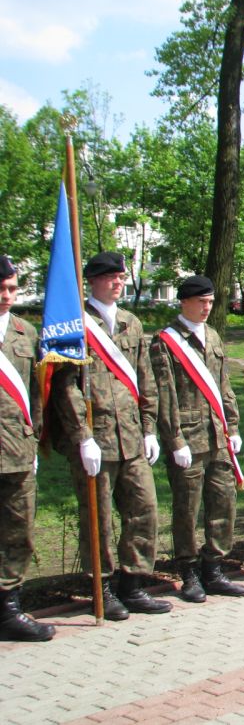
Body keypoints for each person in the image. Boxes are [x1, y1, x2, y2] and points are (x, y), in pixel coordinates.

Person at [50, 251, 170, 619]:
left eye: (121, 277)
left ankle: (132, 583)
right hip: (97, 439)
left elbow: (146, 379)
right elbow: (65, 386)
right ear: (91, 281)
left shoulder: (131, 323)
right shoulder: (75, 324)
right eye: (110, 277)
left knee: (144, 510)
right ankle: (101, 587)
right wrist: (82, 436)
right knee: (98, 518)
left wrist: (149, 428)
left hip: (131, 437)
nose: (117, 283)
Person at [151, 275, 244, 603]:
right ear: (184, 302)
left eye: (210, 302)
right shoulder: (166, 341)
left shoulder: (213, 336)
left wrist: (233, 427)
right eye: (201, 302)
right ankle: (188, 571)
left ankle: (213, 567)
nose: (207, 307)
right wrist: (174, 440)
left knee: (223, 503)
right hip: (189, 438)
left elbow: (224, 387)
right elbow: (165, 395)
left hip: (217, 436)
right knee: (187, 509)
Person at [0, 256, 54, 641]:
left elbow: (37, 392)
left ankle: (8, 609)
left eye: (12, 288)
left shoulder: (25, 332)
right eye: (1, 289)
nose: (7, 295)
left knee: (19, 532)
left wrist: (33, 438)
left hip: (16, 449)